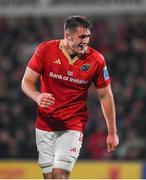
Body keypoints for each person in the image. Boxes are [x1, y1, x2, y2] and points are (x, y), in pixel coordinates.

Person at [21, 15, 119, 179]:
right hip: (45, 123)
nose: (86, 41)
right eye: (82, 37)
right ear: (68, 36)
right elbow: (26, 82)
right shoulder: (45, 50)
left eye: (88, 36)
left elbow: (105, 96)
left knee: (60, 175)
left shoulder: (96, 60)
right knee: (49, 176)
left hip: (73, 125)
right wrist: (37, 96)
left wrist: (112, 132)